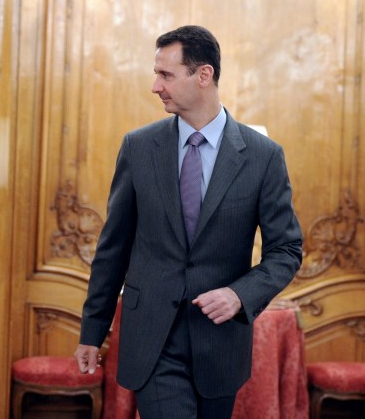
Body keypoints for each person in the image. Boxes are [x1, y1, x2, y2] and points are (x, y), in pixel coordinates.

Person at [74, 25, 303, 418]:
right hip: (152, 340)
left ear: (203, 75)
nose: (155, 86)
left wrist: (239, 295)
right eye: (156, 73)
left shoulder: (263, 156)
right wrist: (93, 332)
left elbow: (286, 250)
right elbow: (114, 247)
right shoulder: (139, 147)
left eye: (165, 74)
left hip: (220, 343)